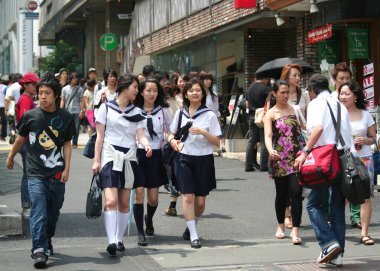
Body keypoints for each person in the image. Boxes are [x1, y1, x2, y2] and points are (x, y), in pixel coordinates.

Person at [6, 72, 75, 268]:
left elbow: (67, 144)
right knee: (39, 212)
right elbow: (20, 138)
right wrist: (11, 157)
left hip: (57, 174)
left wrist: (67, 169)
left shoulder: (66, 117)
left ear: (55, 95)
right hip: (35, 174)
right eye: (40, 93)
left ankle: (46, 238)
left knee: (53, 213)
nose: (42, 96)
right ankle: (39, 250)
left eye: (47, 93)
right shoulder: (30, 116)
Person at [295, 74, 353, 267]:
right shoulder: (340, 105)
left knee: (313, 204)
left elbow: (317, 129)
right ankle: (337, 256)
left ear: (312, 89)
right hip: (343, 159)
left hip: (325, 160)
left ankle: (328, 243)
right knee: (337, 208)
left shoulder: (316, 104)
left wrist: (304, 152)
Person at [92, 75, 152, 256]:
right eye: (135, 87)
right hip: (110, 155)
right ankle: (111, 241)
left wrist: (146, 144)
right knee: (111, 201)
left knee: (125, 203)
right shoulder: (105, 108)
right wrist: (96, 160)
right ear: (125, 87)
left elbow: (140, 134)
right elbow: (99, 137)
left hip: (129, 156)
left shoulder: (137, 112)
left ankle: (119, 239)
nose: (137, 90)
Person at [168, 78, 221, 249]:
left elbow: (217, 142)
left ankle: (191, 226)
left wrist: (204, 132)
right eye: (191, 90)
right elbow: (170, 134)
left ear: (202, 93)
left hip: (204, 159)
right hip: (184, 157)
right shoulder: (180, 113)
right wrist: (172, 142)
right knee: (188, 197)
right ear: (186, 94)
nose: (195, 93)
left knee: (200, 203)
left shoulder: (209, 115)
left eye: (198, 90)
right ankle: (194, 235)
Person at [263, 80, 304, 245]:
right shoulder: (270, 113)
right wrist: (270, 150)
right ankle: (281, 225)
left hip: (297, 157)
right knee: (281, 194)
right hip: (279, 158)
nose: (286, 95)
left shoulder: (295, 109)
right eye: (282, 92)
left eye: (288, 92)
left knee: (296, 193)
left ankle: (295, 230)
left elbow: (304, 129)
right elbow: (268, 136)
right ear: (274, 93)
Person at [133, 78, 172, 246]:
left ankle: (149, 219)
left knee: (154, 198)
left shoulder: (163, 110)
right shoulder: (134, 110)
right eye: (148, 90)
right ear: (141, 92)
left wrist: (173, 141)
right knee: (139, 194)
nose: (152, 94)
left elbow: (170, 131)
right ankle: (140, 232)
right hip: (138, 154)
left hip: (156, 155)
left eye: (155, 91)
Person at [338, 80, 375, 245]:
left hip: (364, 159)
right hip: (344, 159)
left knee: (365, 197)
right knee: (342, 195)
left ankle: (365, 233)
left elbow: (375, 139)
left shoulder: (365, 115)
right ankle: (336, 229)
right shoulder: (336, 114)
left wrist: (366, 140)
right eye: (341, 93)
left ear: (355, 96)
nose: (343, 97)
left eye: (347, 93)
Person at [280, 64, 310, 229]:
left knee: (299, 180)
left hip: (300, 141)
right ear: (287, 77)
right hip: (283, 142)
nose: (298, 78)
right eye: (295, 75)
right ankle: (286, 214)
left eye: (299, 75)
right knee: (284, 180)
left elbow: (308, 116)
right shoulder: (279, 93)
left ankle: (294, 208)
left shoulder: (304, 94)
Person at [15, 72, 40, 217]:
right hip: (26, 142)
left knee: (29, 173)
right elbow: (26, 122)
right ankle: (27, 207)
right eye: (33, 84)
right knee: (28, 174)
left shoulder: (27, 99)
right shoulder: (25, 99)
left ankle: (29, 206)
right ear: (25, 85)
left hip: (27, 142)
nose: (35, 86)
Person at [162, 77, 187, 217]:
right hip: (179, 141)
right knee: (175, 172)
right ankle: (175, 204)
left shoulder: (161, 106)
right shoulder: (180, 103)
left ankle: (174, 204)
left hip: (166, 142)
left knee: (170, 174)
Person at [245, 73, 270, 172]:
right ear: (265, 78)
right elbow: (268, 102)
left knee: (252, 141)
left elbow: (247, 104)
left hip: (252, 116)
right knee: (264, 141)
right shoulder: (265, 88)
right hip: (263, 116)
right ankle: (264, 165)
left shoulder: (250, 88)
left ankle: (248, 165)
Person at [199, 71, 224, 156]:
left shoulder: (214, 95)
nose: (209, 81)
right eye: (206, 79)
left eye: (210, 79)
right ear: (201, 80)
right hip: (200, 119)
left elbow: (216, 109)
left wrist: (218, 119)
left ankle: (217, 149)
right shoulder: (198, 94)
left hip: (211, 119)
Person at [60, 72, 84, 148]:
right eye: (73, 78)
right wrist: (61, 109)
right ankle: (67, 142)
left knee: (76, 128)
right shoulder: (64, 89)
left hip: (77, 111)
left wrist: (82, 111)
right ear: (70, 79)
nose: (75, 79)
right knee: (67, 128)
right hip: (67, 111)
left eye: (76, 78)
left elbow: (81, 100)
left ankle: (74, 143)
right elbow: (63, 100)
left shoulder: (80, 89)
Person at [5, 73, 23, 144]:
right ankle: (21, 136)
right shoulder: (24, 85)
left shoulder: (11, 87)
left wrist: (6, 110)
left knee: (12, 122)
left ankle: (13, 132)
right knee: (22, 122)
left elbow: (8, 100)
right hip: (23, 105)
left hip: (13, 106)